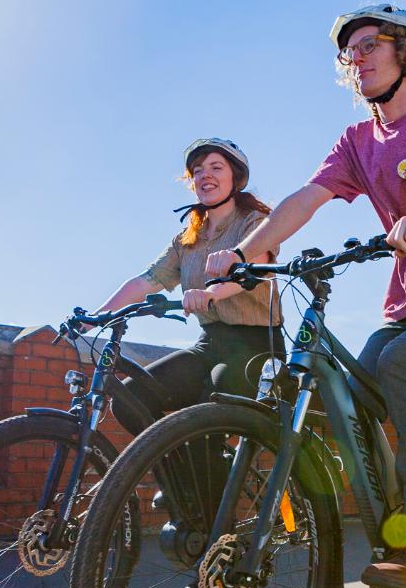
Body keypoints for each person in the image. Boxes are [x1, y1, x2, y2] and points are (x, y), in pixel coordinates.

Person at [206, 4, 406, 588]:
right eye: (350, 51)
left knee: (403, 363)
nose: (359, 57)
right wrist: (246, 253)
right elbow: (306, 197)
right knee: (347, 400)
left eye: (372, 44)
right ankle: (395, 527)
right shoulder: (357, 141)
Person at [95, 137, 285, 443]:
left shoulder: (255, 223)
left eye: (216, 167)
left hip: (256, 346)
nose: (205, 175)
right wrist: (97, 316)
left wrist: (211, 294)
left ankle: (208, 487)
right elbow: (148, 280)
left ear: (234, 177)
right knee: (131, 401)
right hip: (209, 343)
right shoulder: (186, 240)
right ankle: (179, 482)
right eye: (198, 170)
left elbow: (255, 267)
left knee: (204, 421)